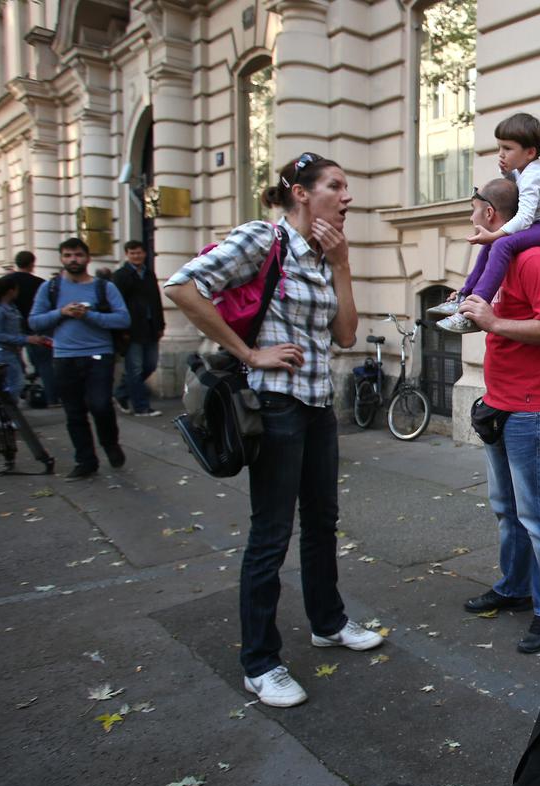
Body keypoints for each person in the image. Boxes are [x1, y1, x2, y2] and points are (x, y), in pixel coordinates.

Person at [164, 152, 383, 708]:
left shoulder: (320, 255)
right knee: (271, 534)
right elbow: (183, 285)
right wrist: (247, 352)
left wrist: (343, 264)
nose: (347, 196)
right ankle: (259, 663)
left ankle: (328, 622)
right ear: (303, 193)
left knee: (322, 522)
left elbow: (345, 334)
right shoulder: (264, 240)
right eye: (337, 185)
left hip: (315, 407)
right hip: (275, 407)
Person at [458, 178, 540, 654]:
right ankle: (515, 587)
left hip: (532, 411)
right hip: (500, 404)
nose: (471, 219)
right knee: (508, 511)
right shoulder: (499, 256)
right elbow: (493, 314)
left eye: (473, 210)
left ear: (488, 211)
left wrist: (493, 322)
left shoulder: (533, 259)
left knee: (539, 516)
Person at [430, 113, 540, 334]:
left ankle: (476, 309)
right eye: (499, 147)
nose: (501, 153)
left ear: (530, 152)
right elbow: (510, 189)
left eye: (507, 148)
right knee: (493, 244)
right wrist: (506, 171)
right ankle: (465, 296)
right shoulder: (522, 172)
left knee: (500, 244)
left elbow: (525, 217)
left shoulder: (533, 175)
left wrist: (494, 236)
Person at [29, 238, 131, 480]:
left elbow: (123, 319)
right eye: (67, 255)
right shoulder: (50, 288)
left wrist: (89, 316)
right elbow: (34, 322)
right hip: (64, 357)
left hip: (99, 355)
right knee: (74, 412)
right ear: (61, 259)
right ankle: (85, 460)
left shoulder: (104, 288)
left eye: (77, 255)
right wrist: (61, 313)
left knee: (100, 405)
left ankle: (110, 443)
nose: (73, 259)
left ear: (87, 258)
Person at [112, 241, 165, 416]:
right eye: (132, 253)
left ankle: (121, 393)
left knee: (149, 365)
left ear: (144, 254)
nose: (136, 256)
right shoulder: (121, 275)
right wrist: (122, 330)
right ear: (127, 254)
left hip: (150, 327)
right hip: (131, 330)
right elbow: (117, 303)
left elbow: (156, 300)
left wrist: (160, 324)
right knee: (135, 369)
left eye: (139, 253)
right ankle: (141, 407)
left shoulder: (149, 274)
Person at [0, 251, 56, 405]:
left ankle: (23, 390)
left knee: (15, 362)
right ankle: (51, 397)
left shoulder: (5, 281)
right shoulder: (40, 283)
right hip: (35, 326)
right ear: (32, 263)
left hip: (12, 327)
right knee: (44, 362)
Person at [0, 276, 43, 400]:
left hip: (10, 351)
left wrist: (26, 339)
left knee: (12, 383)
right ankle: (8, 413)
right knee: (16, 384)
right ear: (11, 291)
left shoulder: (11, 308)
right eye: (17, 289)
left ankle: (7, 412)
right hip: (0, 352)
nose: (18, 292)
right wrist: (25, 339)